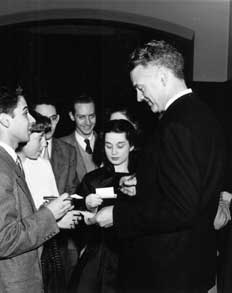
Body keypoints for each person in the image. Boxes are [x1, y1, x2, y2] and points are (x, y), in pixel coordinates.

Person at [93, 40, 226, 292]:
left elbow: (181, 209)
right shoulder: (202, 114)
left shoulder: (176, 125)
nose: (138, 97)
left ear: (163, 77)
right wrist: (144, 184)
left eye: (141, 87)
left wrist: (117, 215)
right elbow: (193, 189)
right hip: (194, 264)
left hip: (170, 272)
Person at [0, 87, 73, 293]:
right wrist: (49, 215)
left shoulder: (1, 162)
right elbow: (2, 241)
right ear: (5, 120)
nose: (32, 120)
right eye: (25, 113)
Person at [17, 110, 82, 293]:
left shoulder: (43, 164)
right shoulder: (13, 168)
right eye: (39, 138)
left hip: (50, 247)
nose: (45, 143)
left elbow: (53, 202)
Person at [70, 119, 137, 293]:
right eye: (108, 146)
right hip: (99, 256)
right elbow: (76, 221)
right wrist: (88, 207)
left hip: (134, 255)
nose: (113, 152)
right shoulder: (93, 179)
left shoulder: (142, 178)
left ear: (131, 146)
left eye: (120, 145)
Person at [33, 98, 79, 195]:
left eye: (53, 118)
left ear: (57, 119)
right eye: (42, 119)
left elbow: (72, 192)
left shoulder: (68, 152)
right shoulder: (22, 151)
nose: (49, 125)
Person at [61, 95, 98, 182]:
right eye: (82, 117)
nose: (88, 122)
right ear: (72, 116)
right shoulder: (61, 146)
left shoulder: (106, 141)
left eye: (91, 116)